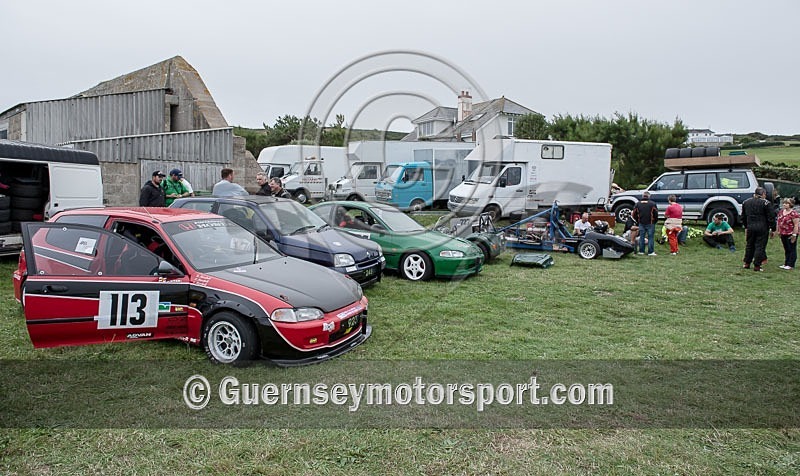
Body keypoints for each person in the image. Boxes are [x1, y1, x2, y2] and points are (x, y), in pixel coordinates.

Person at [741, 186, 776, 271]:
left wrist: (746, 227)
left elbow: (743, 217)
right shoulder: (766, 203)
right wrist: (773, 228)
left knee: (749, 245)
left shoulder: (746, 202)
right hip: (762, 227)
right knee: (760, 246)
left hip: (750, 226)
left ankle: (747, 263)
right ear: (763, 194)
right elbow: (771, 217)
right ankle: (757, 265)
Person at [632, 191, 658, 256]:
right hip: (651, 223)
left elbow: (634, 214)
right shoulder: (652, 204)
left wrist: (638, 220)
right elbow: (656, 214)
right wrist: (655, 221)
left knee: (642, 237)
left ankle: (641, 251)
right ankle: (650, 252)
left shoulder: (637, 204)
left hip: (641, 223)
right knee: (650, 237)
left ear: (642, 196)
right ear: (649, 196)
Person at [776, 197, 799, 270]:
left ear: (791, 204)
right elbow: (778, 222)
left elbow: (796, 225)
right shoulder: (781, 212)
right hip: (783, 233)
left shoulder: (794, 214)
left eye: (786, 203)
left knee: (792, 248)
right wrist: (778, 231)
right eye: (784, 203)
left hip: (791, 233)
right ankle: (786, 262)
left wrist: (794, 234)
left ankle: (791, 264)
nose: (784, 205)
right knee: (786, 248)